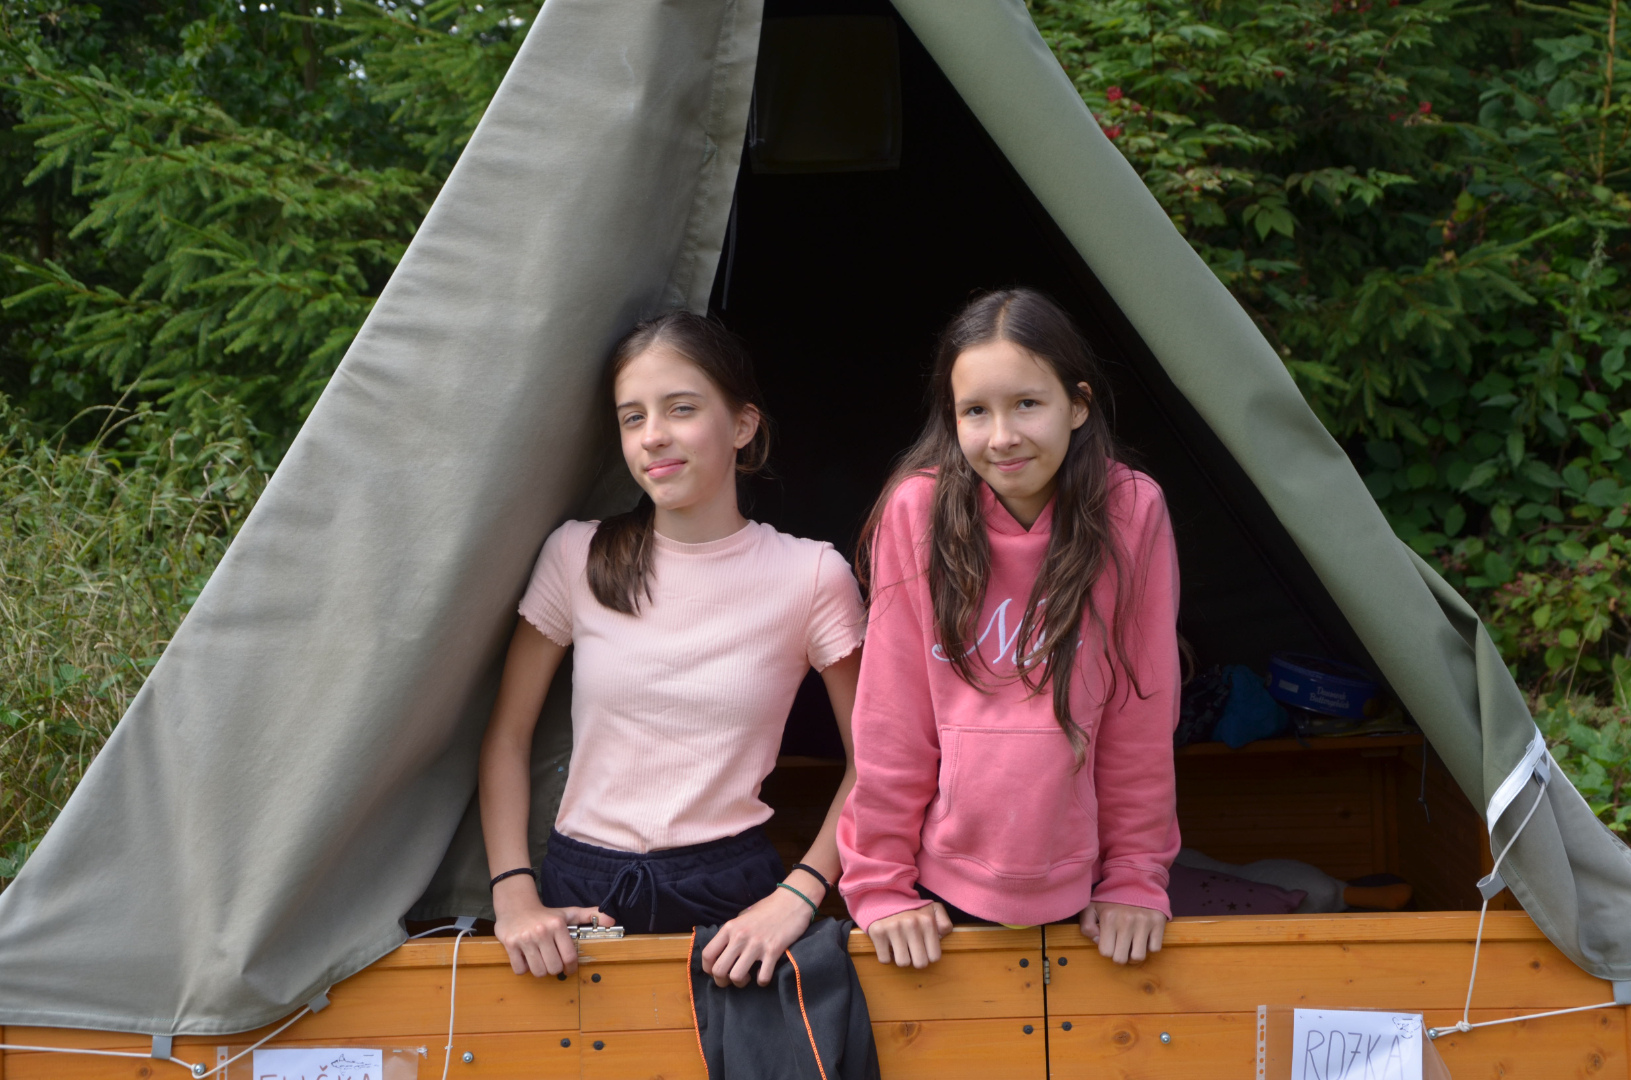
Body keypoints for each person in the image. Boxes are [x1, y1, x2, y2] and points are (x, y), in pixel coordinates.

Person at [479, 311, 865, 987]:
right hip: (580, 895)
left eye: (680, 409)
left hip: (731, 897)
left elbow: (877, 760)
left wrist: (799, 894)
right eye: (632, 417)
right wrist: (513, 893)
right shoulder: (575, 555)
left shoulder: (811, 575)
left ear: (742, 425)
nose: (653, 435)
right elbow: (507, 735)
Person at [837, 288, 1180, 970]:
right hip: (937, 889)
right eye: (975, 411)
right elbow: (891, 717)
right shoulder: (915, 511)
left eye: (1026, 403)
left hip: (1090, 891)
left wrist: (1134, 877)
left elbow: (1140, 715)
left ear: (1077, 404)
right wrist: (881, 885)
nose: (1001, 436)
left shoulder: (1132, 509)